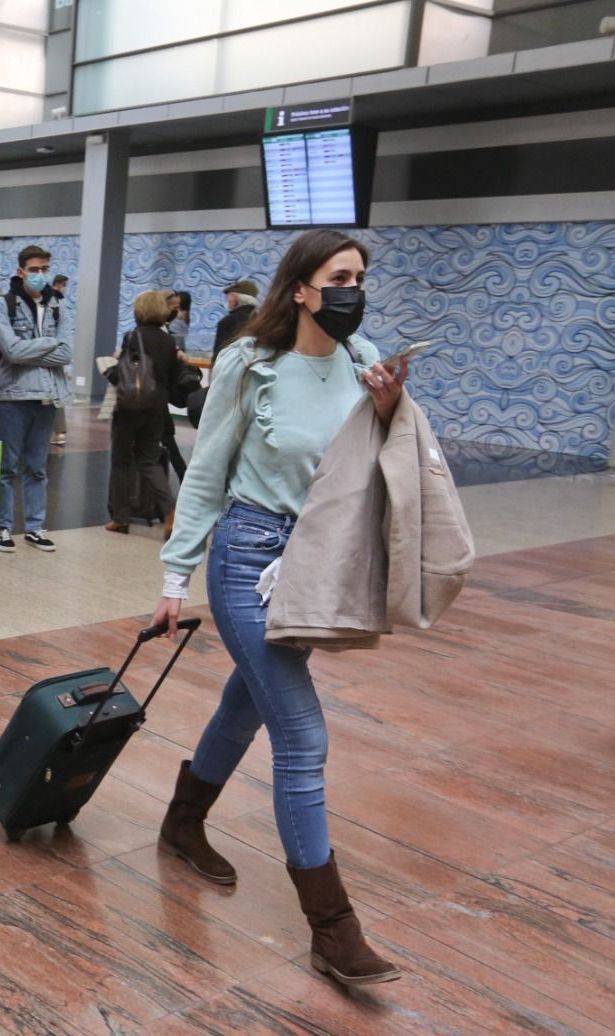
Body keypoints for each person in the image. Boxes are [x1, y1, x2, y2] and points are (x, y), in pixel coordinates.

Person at [152, 228, 407, 989]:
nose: (351, 289)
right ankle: (333, 929)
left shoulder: (365, 360)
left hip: (317, 562)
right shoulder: (250, 364)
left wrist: (391, 410)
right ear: (300, 288)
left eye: (359, 276)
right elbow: (206, 474)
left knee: (250, 698)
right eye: (338, 275)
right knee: (301, 732)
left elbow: (376, 460)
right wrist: (174, 579)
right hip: (249, 558)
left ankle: (183, 818)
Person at [0, 244, 71, 553]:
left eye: (44, 269)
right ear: (21, 270)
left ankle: (35, 527)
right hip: (13, 396)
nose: (40, 275)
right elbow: (10, 351)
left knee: (38, 467)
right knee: (7, 466)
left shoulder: (58, 306)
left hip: (48, 396)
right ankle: (3, 527)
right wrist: (49, 344)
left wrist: (34, 348)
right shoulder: (4, 306)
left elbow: (66, 351)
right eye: (34, 269)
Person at [104, 290, 184, 534]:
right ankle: (170, 511)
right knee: (149, 460)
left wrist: (113, 363)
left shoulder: (133, 337)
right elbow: (171, 378)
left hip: (129, 407)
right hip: (157, 408)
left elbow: (122, 375)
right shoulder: (169, 341)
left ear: (139, 311)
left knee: (121, 460)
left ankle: (121, 517)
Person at [49, 273, 72, 447]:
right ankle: (58, 432)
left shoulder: (53, 301)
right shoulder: (56, 302)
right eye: (64, 284)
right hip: (54, 355)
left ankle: (57, 432)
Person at [214, 279, 259, 359]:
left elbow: (219, 357)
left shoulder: (227, 322)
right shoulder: (263, 321)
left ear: (234, 300)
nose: (228, 302)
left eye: (228, 298)